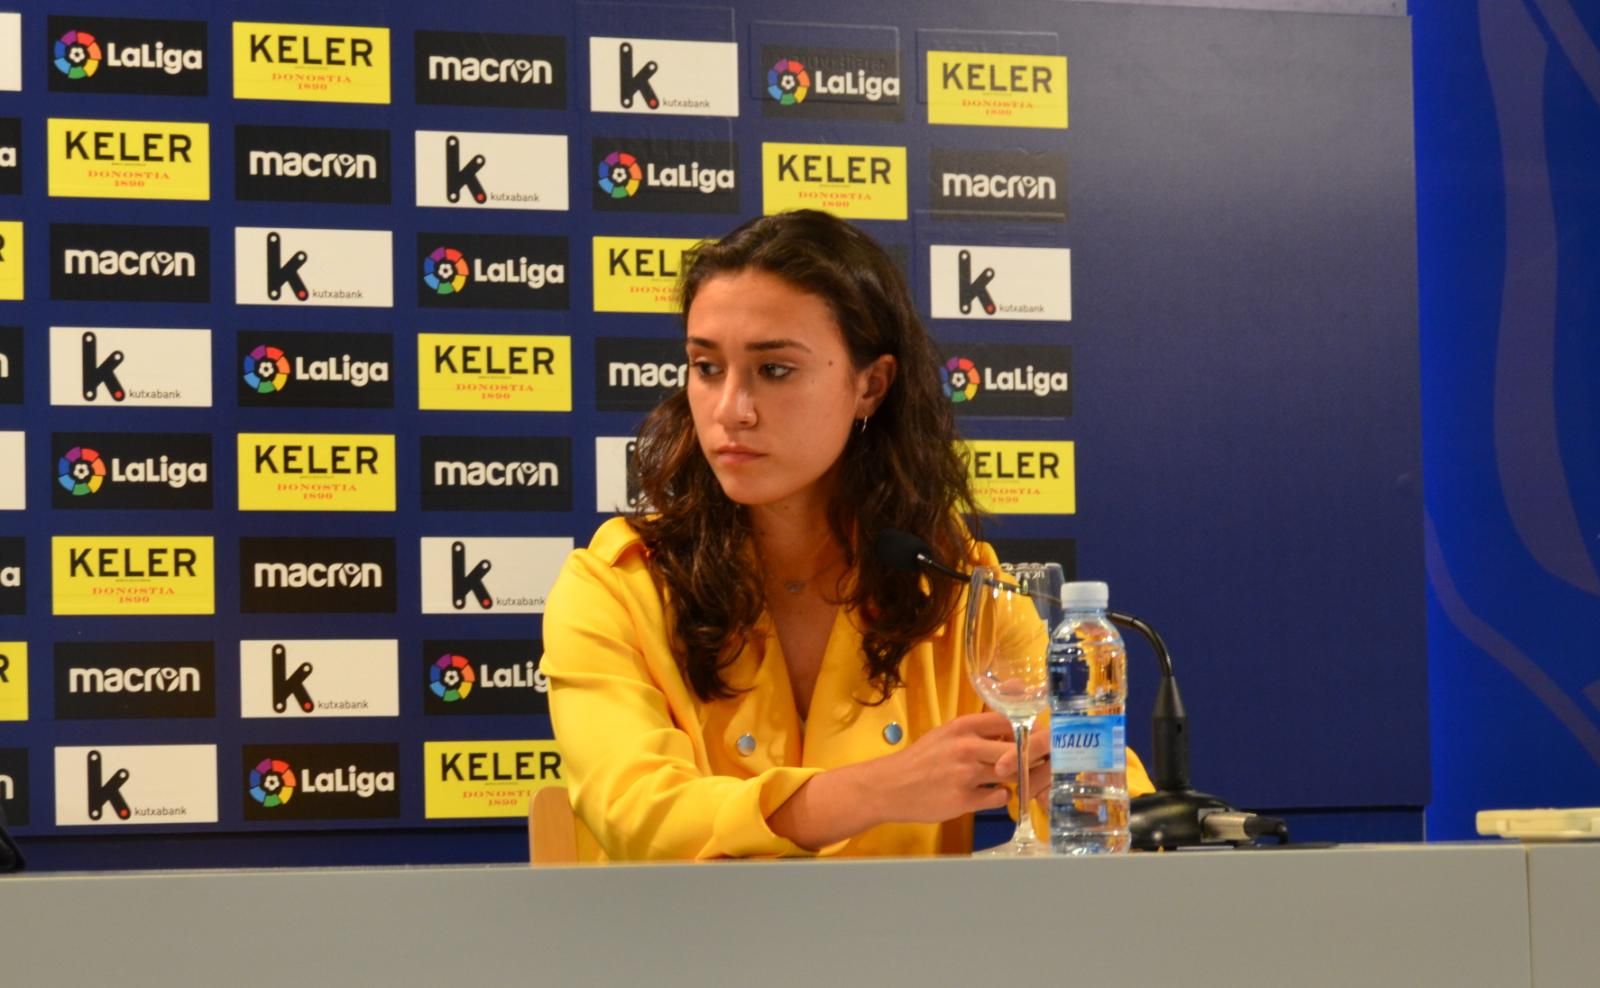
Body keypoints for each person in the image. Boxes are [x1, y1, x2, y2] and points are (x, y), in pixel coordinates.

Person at [542, 210, 1152, 861]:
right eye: (707, 367)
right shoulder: (613, 585)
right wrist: (880, 790)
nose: (730, 410)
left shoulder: (954, 582)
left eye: (774, 370)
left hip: (902, 934)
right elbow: (641, 816)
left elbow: (1117, 807)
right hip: (683, 934)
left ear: (871, 385)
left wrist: (1074, 787)